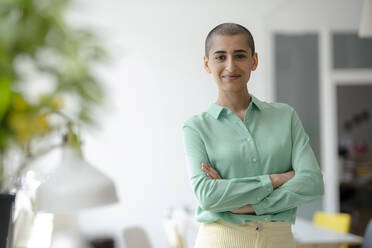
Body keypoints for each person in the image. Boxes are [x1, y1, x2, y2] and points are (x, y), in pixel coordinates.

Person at [182, 23, 324, 248]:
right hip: (221, 241)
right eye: (220, 57)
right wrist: (275, 179)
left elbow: (312, 183)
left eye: (239, 56)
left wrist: (246, 206)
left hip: (280, 241)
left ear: (254, 61)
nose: (230, 66)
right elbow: (207, 196)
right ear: (207, 64)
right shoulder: (196, 127)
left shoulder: (285, 116)